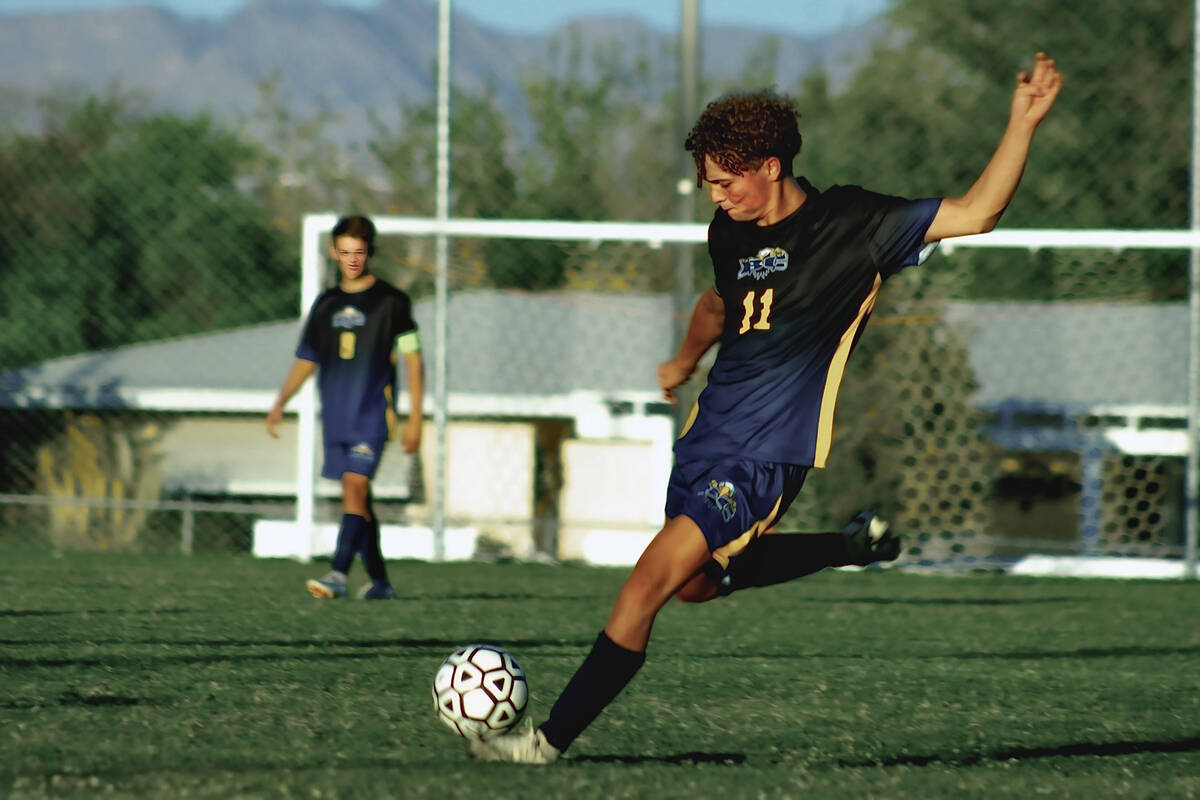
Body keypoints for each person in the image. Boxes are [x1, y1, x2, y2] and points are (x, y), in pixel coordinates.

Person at [469, 53, 1062, 764]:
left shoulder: (854, 224)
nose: (716, 196)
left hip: (766, 454)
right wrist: (686, 360)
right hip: (707, 436)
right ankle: (847, 547)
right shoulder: (729, 232)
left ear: (771, 166)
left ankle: (542, 745)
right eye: (708, 184)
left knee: (646, 586)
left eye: (726, 181)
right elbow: (717, 304)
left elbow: (977, 211)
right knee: (692, 585)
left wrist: (1022, 121)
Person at [265, 215, 424, 601]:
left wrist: (415, 416)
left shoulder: (392, 302)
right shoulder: (327, 305)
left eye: (360, 252)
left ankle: (338, 572)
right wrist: (281, 402)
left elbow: (413, 358)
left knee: (354, 487)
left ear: (370, 252)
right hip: (335, 415)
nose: (352, 259)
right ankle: (380, 582)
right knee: (358, 499)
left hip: (372, 414)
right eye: (345, 252)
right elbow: (307, 358)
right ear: (334, 252)